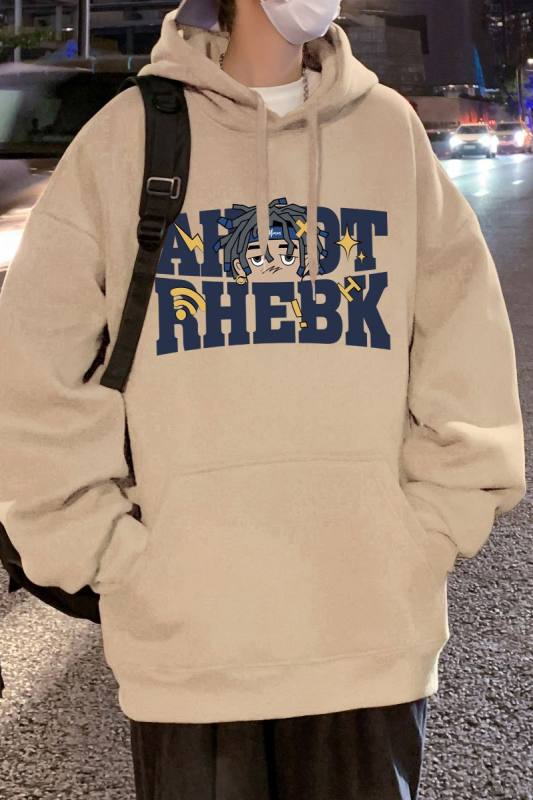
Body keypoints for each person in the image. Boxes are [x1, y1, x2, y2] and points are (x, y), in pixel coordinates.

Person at [0, 0, 526, 798]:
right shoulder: (125, 137)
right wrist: (106, 554)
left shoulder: (388, 133)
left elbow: (466, 349)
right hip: (190, 651)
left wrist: (427, 532)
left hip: (368, 637)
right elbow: (32, 372)